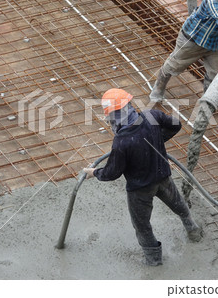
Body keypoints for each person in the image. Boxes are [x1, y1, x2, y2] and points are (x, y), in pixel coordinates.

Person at [83, 88, 202, 266]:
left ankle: (154, 261)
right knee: (178, 205)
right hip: (163, 176)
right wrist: (157, 142)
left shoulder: (121, 142)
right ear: (129, 105)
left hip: (140, 190)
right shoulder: (151, 115)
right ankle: (193, 231)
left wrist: (95, 173)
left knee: (142, 225)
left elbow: (111, 173)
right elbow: (176, 125)